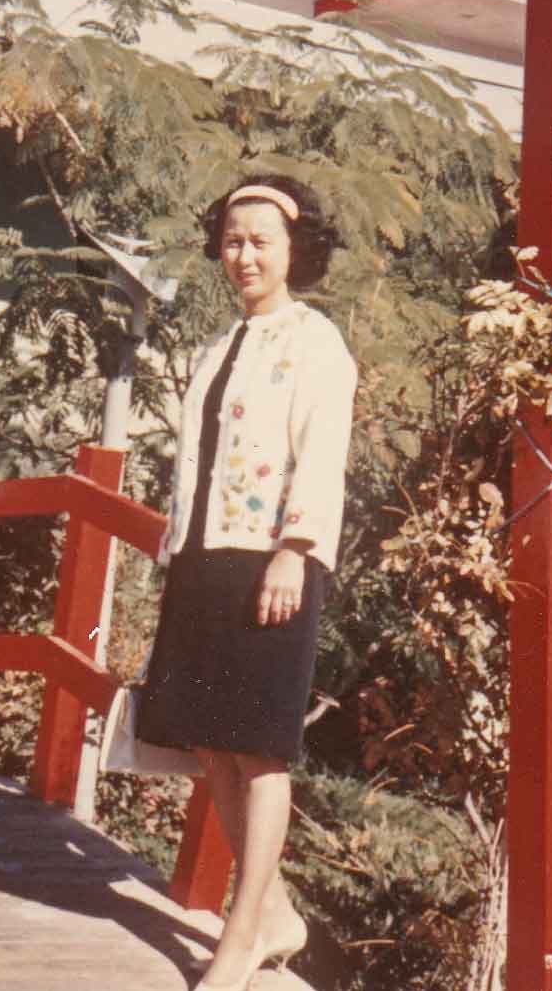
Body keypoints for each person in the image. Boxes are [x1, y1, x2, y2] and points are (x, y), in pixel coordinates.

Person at [135, 175, 357, 991]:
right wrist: (175, 552)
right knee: (209, 741)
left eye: (261, 240)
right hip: (203, 557)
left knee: (258, 749)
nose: (244, 255)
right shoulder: (216, 346)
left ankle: (240, 934)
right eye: (232, 239)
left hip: (272, 559)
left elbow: (320, 452)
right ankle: (272, 914)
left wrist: (296, 549)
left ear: (295, 250)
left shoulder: (314, 341)